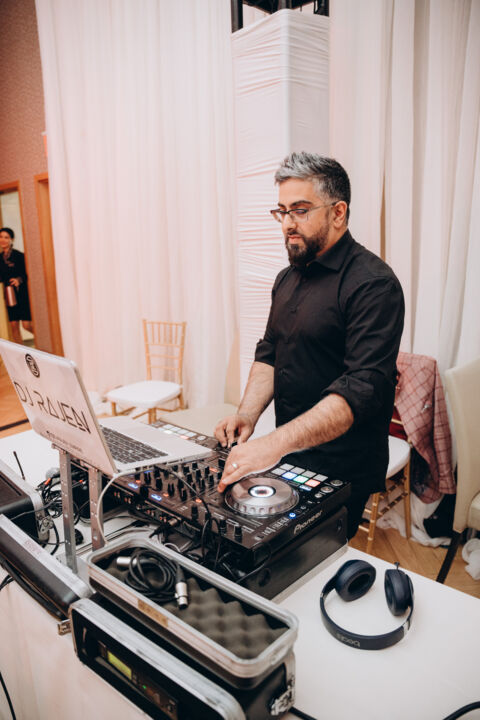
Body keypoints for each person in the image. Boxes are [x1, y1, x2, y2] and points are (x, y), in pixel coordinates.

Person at [214, 152, 405, 539]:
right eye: (282, 212)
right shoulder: (286, 279)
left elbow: (359, 390)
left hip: (342, 470)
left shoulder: (374, 284)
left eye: (300, 210)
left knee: (314, 562)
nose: (288, 223)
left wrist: (273, 444)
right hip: (290, 455)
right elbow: (269, 353)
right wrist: (247, 415)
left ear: (338, 213)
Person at [0, 227, 34, 344]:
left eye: (6, 237)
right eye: (1, 237)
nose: (3, 240)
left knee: (26, 325)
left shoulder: (19, 255)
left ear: (12, 239)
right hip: (9, 295)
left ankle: (44, 339)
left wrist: (18, 280)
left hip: (22, 294)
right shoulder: (0, 258)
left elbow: (26, 273)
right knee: (14, 327)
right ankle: (21, 353)